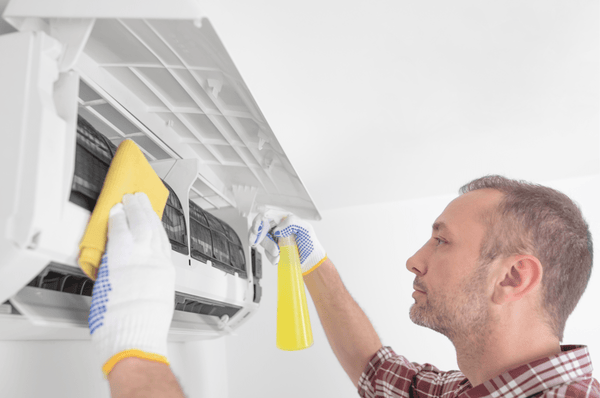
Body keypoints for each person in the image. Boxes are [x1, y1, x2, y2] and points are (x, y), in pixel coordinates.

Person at [251, 175, 599, 397]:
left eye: (442, 241)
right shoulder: (468, 391)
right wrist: (312, 261)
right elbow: (375, 371)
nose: (414, 261)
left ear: (512, 278)